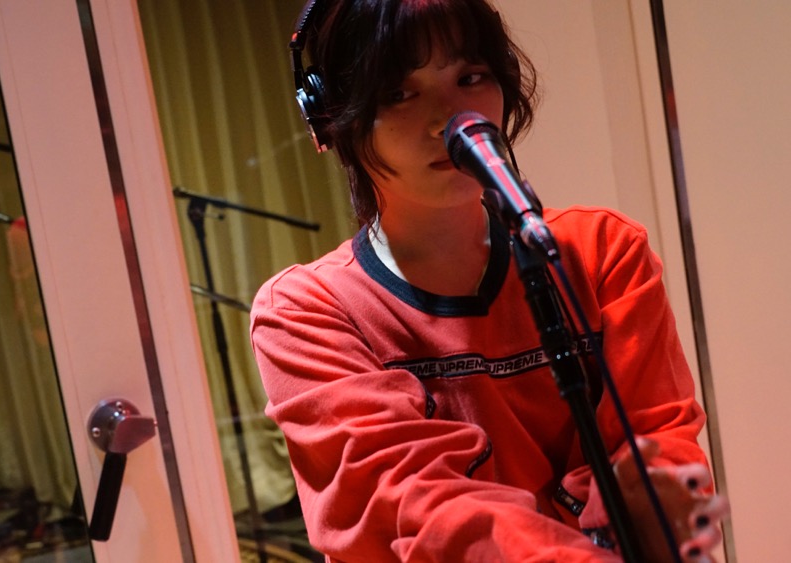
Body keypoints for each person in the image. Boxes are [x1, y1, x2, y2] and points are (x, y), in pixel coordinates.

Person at [248, 0, 729, 561]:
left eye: (470, 78)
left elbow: (657, 437)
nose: (446, 119)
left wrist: (658, 496)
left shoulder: (600, 252)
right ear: (335, 117)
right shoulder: (304, 311)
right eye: (399, 93)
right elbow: (416, 505)